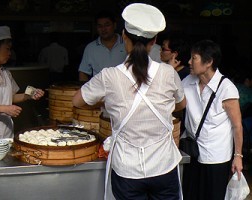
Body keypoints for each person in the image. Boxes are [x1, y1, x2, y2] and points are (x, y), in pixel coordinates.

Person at [73, 3, 186, 199]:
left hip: (127, 170)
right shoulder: (168, 73)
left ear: (123, 35)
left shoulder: (108, 76)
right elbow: (181, 104)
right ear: (155, 41)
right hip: (163, 166)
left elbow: (77, 101)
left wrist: (108, 103)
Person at [181, 40, 243, 200]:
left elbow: (237, 126)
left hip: (216, 157)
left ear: (208, 62)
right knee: (190, 195)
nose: (189, 62)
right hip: (193, 152)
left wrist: (238, 156)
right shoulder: (188, 81)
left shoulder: (226, 88)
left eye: (193, 58)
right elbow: (174, 104)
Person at [0, 26, 45, 139]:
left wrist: (29, 95)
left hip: (6, 132)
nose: (10, 53)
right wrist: (5, 109)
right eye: (7, 49)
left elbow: (11, 97)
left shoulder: (6, 72)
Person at [78, 10, 127, 82]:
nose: (103, 29)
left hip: (123, 90)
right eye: (100, 26)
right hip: (99, 91)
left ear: (115, 25)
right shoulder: (91, 48)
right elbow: (83, 72)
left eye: (107, 25)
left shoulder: (127, 44)